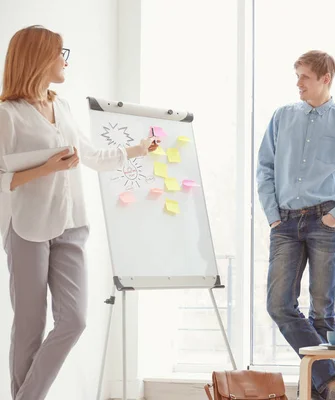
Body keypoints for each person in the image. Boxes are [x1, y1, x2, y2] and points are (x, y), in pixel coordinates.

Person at [0, 26, 158, 400]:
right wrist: (47, 168)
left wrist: (137, 149)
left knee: (74, 320)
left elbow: (90, 156)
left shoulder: (63, 106)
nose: (64, 60)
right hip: (27, 228)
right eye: (59, 52)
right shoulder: (7, 115)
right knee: (29, 326)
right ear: (38, 57)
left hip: (71, 225)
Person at [257, 50, 335, 400]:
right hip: (285, 222)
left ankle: (321, 392)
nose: (298, 83)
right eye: (297, 75)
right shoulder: (282, 117)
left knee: (321, 313)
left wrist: (333, 217)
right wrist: (273, 214)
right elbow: (264, 167)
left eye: (305, 76)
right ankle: (334, 379)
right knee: (279, 305)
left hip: (325, 221)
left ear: (326, 78)